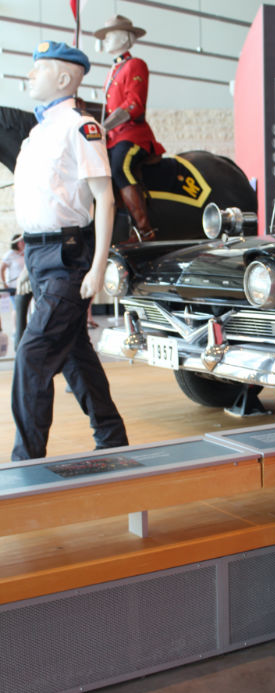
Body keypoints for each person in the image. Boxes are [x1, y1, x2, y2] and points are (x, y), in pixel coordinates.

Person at [11, 40, 128, 461]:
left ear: (64, 78)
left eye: (38, 68)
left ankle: (26, 461)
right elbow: (39, 206)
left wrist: (97, 267)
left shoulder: (80, 127)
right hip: (41, 259)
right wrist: (28, 260)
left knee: (33, 355)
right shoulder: (35, 136)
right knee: (75, 356)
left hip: (68, 258)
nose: (29, 75)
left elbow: (105, 198)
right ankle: (112, 438)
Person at [94, 14, 165, 241]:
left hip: (133, 136)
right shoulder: (112, 71)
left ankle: (145, 229)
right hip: (114, 137)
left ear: (124, 38)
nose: (104, 40)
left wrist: (104, 126)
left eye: (109, 36)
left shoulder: (135, 65)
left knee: (119, 168)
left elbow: (134, 105)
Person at [0, 234, 32, 349]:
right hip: (14, 286)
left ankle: (25, 333)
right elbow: (2, 268)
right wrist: (5, 283)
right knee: (17, 309)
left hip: (27, 286)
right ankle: (15, 331)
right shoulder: (10, 255)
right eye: (21, 241)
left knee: (27, 309)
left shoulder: (25, 253)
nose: (23, 243)